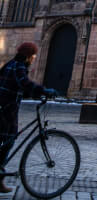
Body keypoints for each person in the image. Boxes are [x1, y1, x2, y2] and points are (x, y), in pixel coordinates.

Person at [0, 42, 55, 194]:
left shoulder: (10, 63)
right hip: (6, 111)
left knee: (6, 141)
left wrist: (33, 92)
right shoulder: (19, 66)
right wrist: (44, 91)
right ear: (29, 55)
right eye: (34, 55)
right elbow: (24, 83)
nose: (34, 58)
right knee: (9, 140)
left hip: (5, 108)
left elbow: (17, 85)